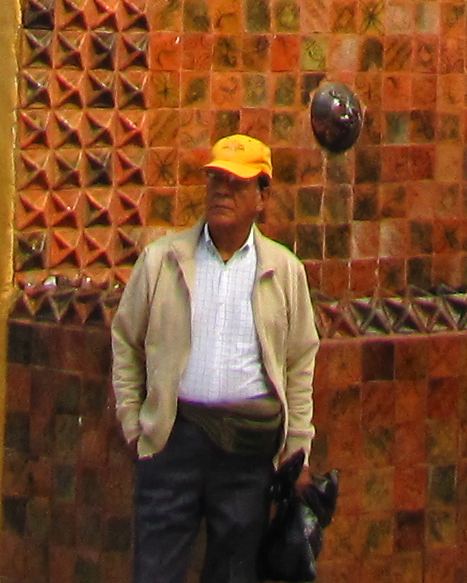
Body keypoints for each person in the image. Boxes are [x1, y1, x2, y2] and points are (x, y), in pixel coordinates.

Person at [111, 131, 321, 583]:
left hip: (249, 449)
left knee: (234, 573)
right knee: (155, 572)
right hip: (174, 440)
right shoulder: (162, 261)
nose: (222, 191)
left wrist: (297, 449)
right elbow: (126, 340)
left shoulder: (284, 270)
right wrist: (134, 425)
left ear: (262, 196)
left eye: (237, 183)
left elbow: (300, 362)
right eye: (215, 180)